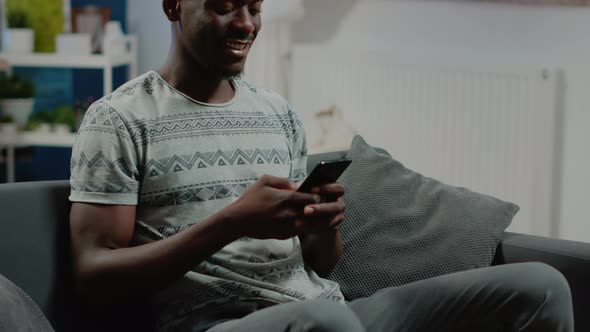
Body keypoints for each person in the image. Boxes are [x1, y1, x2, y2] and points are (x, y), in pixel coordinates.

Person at [68, 1, 574, 331]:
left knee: (539, 286)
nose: (245, 24)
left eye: (254, 6)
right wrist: (231, 222)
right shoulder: (119, 119)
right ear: (174, 5)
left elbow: (321, 265)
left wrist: (322, 225)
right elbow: (93, 273)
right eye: (224, 6)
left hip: (327, 312)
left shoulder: (277, 113)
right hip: (217, 323)